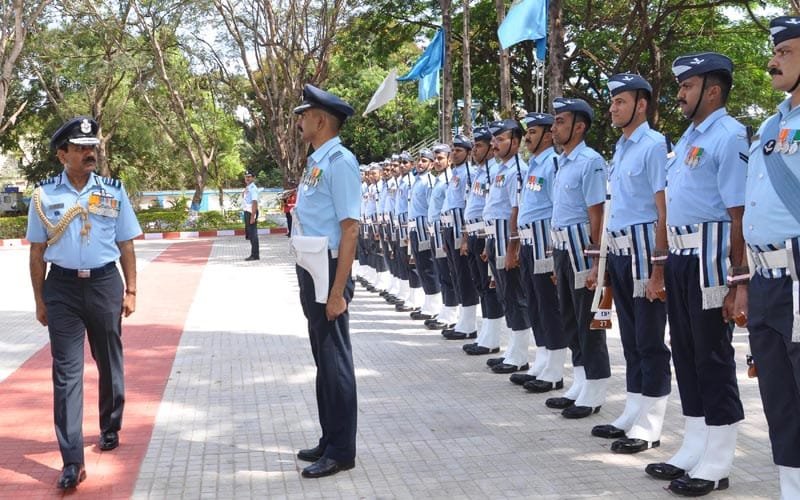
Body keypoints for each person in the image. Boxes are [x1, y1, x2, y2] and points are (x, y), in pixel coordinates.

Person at [645, 53, 746, 497]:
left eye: (688, 86)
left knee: (712, 356)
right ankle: (695, 444)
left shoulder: (729, 135)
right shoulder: (687, 139)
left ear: (713, 90)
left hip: (711, 256)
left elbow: (739, 213)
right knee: (684, 352)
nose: (681, 93)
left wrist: (737, 280)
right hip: (683, 260)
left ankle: (719, 458)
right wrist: (663, 264)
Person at [26, 116, 142, 490]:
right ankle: (72, 460)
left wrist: (132, 289)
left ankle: (110, 425)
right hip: (61, 289)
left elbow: (126, 243)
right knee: (66, 372)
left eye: (91, 147)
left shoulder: (113, 190)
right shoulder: (44, 195)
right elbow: (37, 252)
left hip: (105, 283)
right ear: (63, 154)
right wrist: (40, 299)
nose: (89, 153)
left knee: (109, 358)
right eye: (80, 148)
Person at [589, 74, 671, 454]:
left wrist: (658, 268)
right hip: (620, 251)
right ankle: (634, 410)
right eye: (612, 101)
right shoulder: (621, 148)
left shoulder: (654, 145)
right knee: (630, 339)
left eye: (620, 101)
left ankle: (651, 423)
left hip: (643, 250)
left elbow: (662, 210)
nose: (612, 108)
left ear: (641, 104)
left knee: (649, 339)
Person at [736, 16, 800, 499]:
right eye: (775, 52)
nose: (774, 60)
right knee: (779, 398)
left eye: (786, 52)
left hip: (798, 275)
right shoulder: (770, 125)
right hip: (764, 277)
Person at [291, 84, 360, 478]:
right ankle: (328, 437)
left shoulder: (340, 162)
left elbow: (350, 229)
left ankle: (342, 450)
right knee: (323, 358)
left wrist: (338, 291)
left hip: (330, 269)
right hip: (313, 265)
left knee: (335, 359)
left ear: (321, 119)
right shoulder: (318, 160)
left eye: (304, 115)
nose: (300, 121)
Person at [545, 97, 610, 419]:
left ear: (579, 126)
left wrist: (597, 261)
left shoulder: (591, 161)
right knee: (570, 318)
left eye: (560, 121)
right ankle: (582, 381)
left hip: (583, 248)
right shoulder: (563, 162)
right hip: (562, 248)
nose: (554, 127)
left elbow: (597, 211)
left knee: (590, 320)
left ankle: (596, 388)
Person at [511, 112, 566, 393]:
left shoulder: (553, 163)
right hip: (530, 241)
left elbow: (557, 207)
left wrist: (552, 249)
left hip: (545, 241)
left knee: (548, 304)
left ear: (547, 134)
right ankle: (543, 358)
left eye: (533, 132)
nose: (528, 137)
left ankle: (556, 367)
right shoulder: (534, 165)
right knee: (534, 302)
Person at [482, 119, 534, 375]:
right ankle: (513, 349)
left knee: (515, 295)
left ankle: (521, 354)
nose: (495, 144)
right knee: (505, 294)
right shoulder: (501, 169)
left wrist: (513, 247)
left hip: (507, 236)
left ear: (516, 141)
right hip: (494, 236)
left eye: (500, 139)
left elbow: (516, 208)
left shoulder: (518, 170)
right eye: (494, 139)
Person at [461, 126, 505, 356]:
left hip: (487, 234)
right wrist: (466, 236)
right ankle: (486, 333)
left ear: (490, 149)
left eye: (478, 146)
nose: (474, 151)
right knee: (481, 285)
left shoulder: (494, 171)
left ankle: (492, 338)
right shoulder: (478, 172)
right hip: (475, 234)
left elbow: (493, 209)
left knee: (490, 287)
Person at [441, 135, 481, 340]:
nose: (454, 153)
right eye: (453, 150)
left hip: (460, 226)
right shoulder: (454, 173)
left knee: (465, 276)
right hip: (449, 225)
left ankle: (469, 323)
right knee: (455, 273)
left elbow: (468, 206)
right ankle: (462, 319)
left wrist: (464, 237)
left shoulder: (469, 173)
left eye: (459, 150)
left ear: (467, 152)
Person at [243, 171, 260, 260]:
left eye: (249, 177)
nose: (247, 178)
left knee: (253, 234)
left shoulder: (253, 188)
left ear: (253, 178)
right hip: (247, 211)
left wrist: (252, 216)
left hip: (251, 212)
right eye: (246, 177)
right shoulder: (248, 187)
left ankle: (255, 255)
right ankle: (254, 254)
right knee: (250, 234)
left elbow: (254, 202)